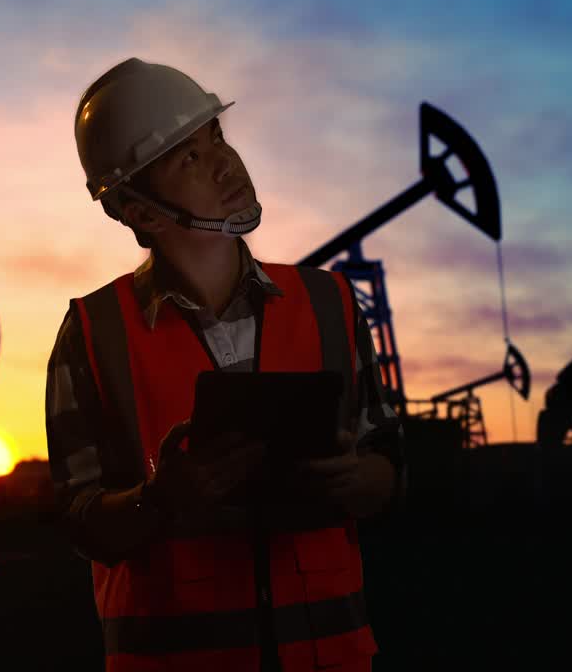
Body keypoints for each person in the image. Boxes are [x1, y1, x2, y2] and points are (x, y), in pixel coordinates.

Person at [45, 57, 404, 672]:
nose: (226, 163)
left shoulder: (332, 304)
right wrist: (159, 500)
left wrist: (360, 479)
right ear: (141, 211)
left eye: (215, 137)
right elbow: (79, 522)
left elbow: (392, 467)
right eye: (189, 157)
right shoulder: (93, 334)